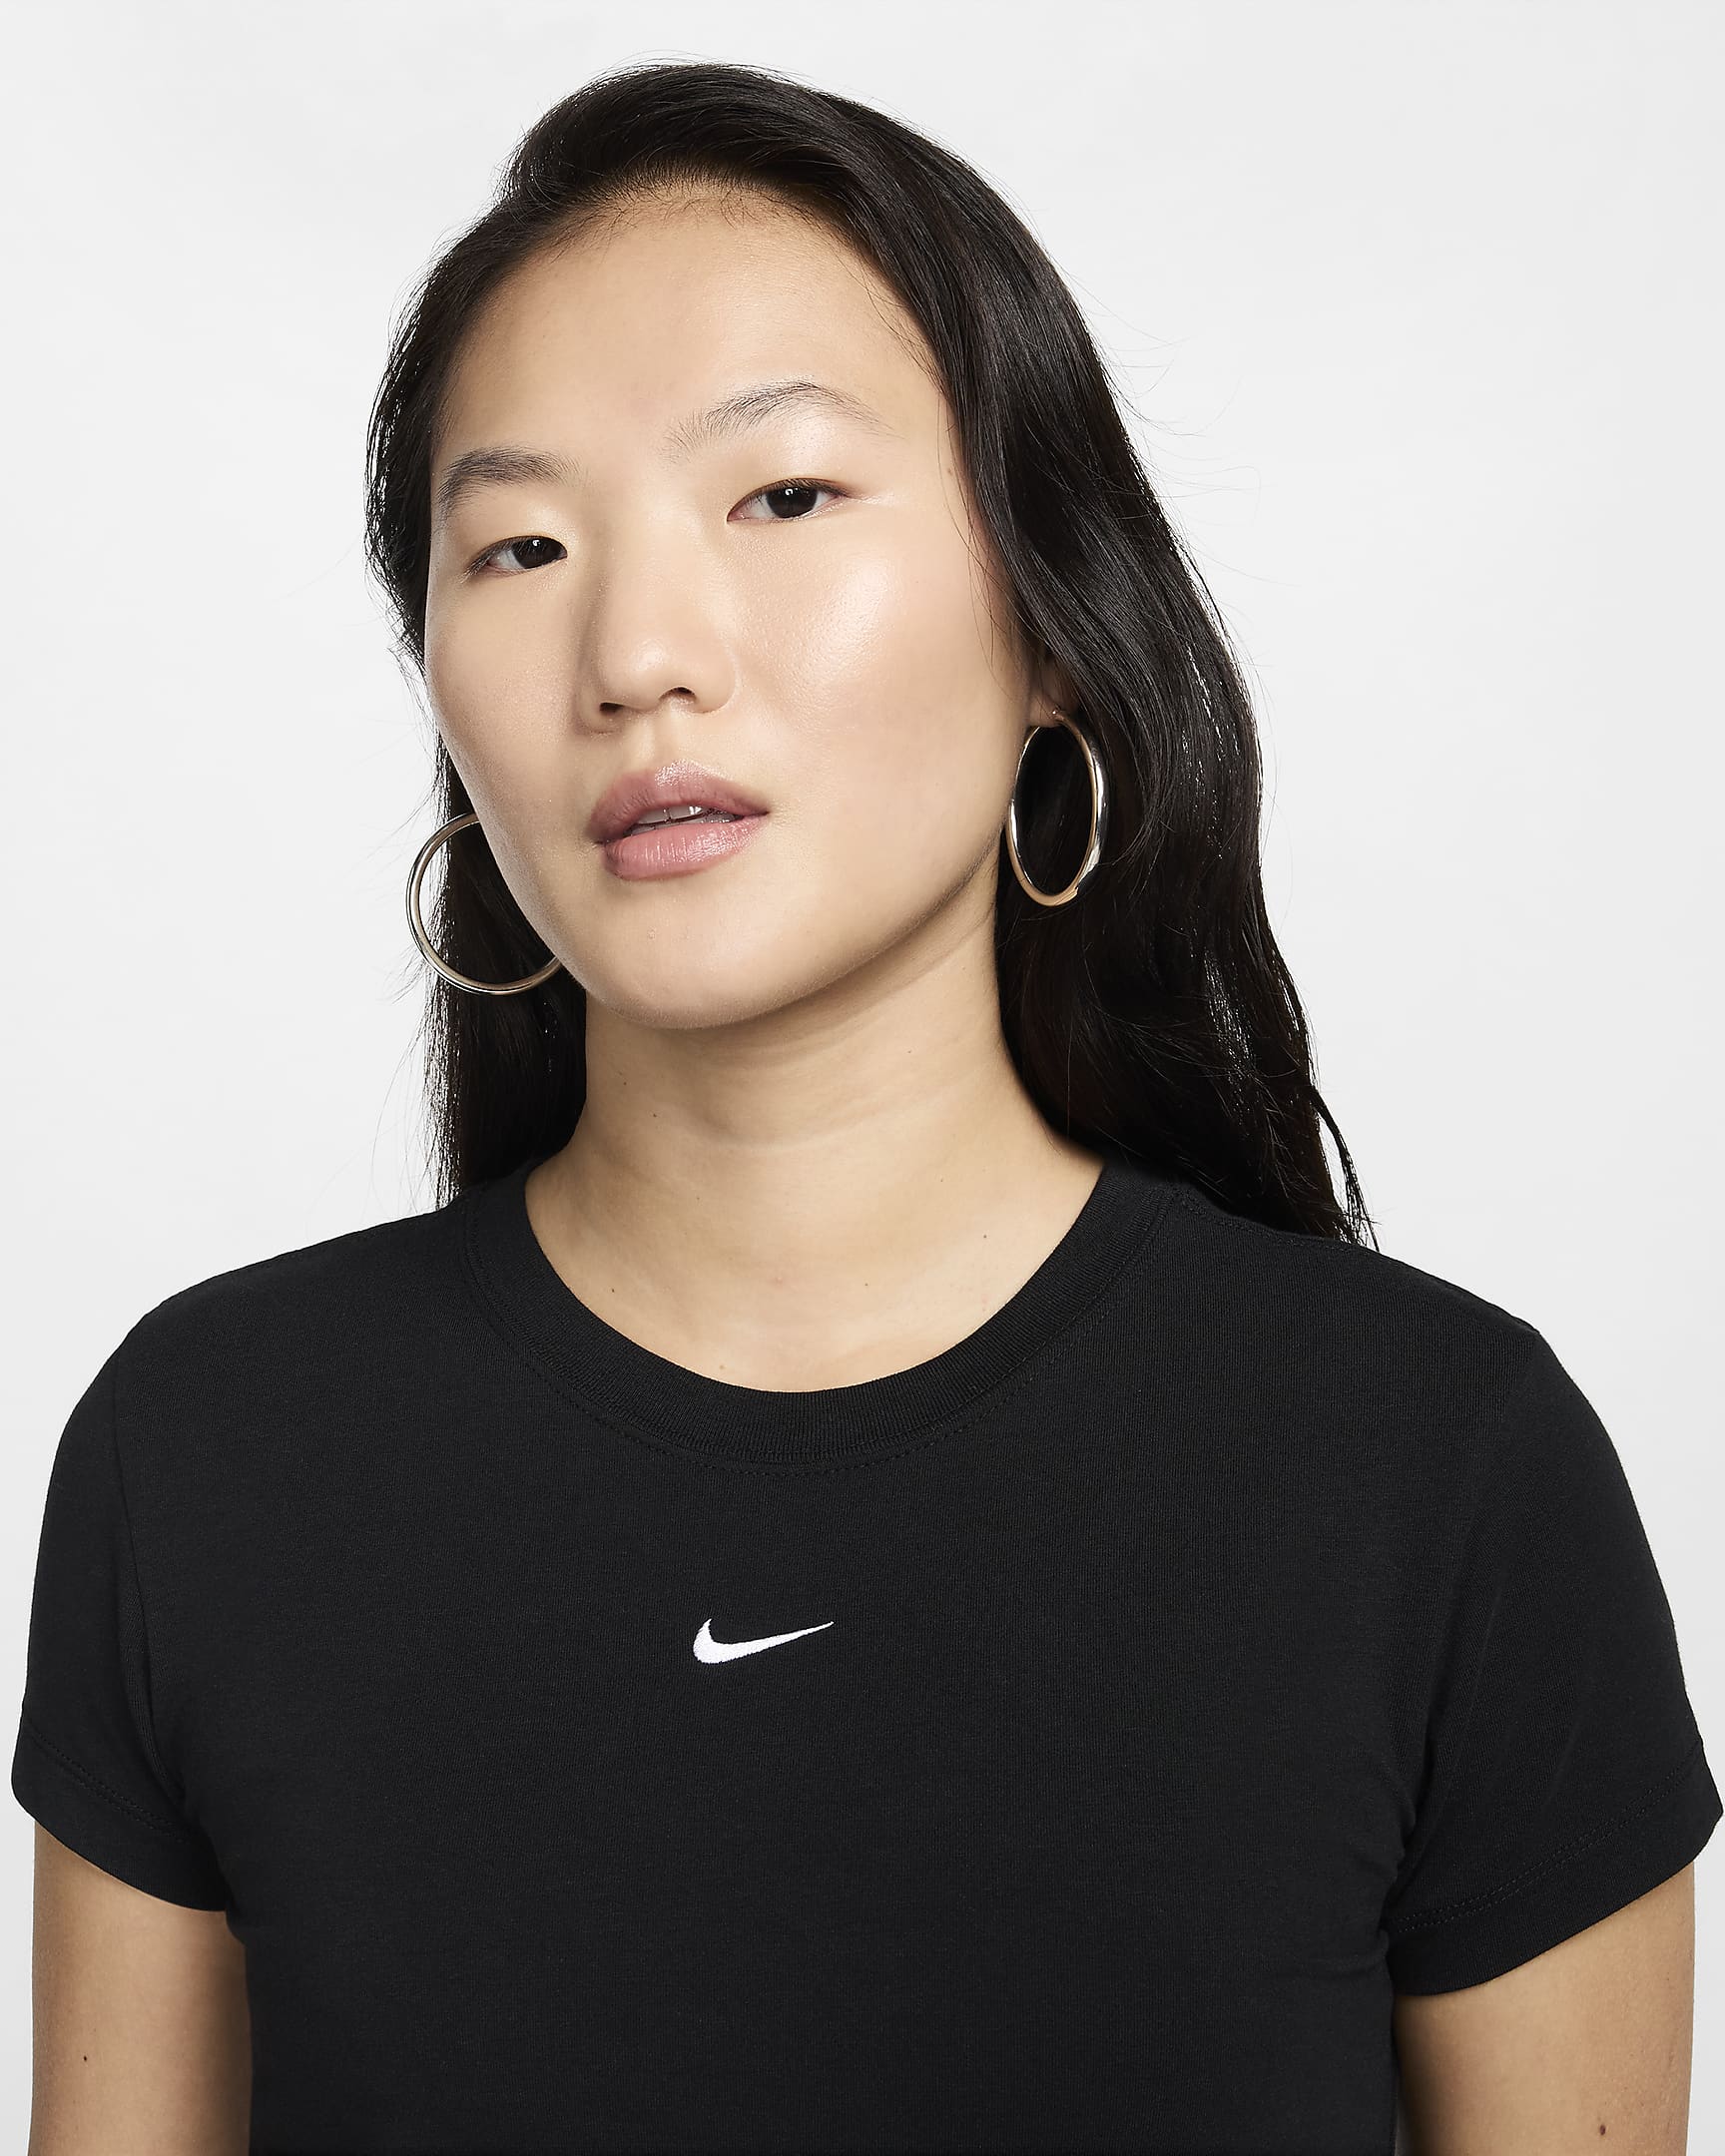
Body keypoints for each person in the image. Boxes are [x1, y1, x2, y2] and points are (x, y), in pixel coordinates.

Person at [12, 57, 1717, 2156]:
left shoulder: (1441, 1478)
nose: (638, 652)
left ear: (1054, 627)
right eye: (522, 544)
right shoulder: (208, 1459)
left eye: (786, 497)